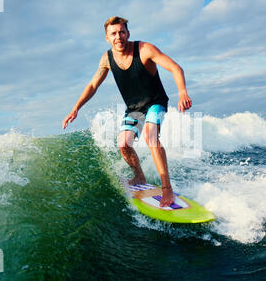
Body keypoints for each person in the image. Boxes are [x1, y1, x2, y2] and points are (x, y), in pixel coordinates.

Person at [62, 16, 192, 207]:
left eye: (122, 32)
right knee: (124, 144)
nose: (118, 36)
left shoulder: (145, 49)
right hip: (134, 108)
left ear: (128, 33)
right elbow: (92, 85)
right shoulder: (107, 58)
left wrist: (182, 93)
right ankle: (139, 176)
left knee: (150, 136)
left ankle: (167, 188)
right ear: (107, 38)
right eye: (113, 33)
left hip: (155, 102)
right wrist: (75, 108)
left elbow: (175, 68)